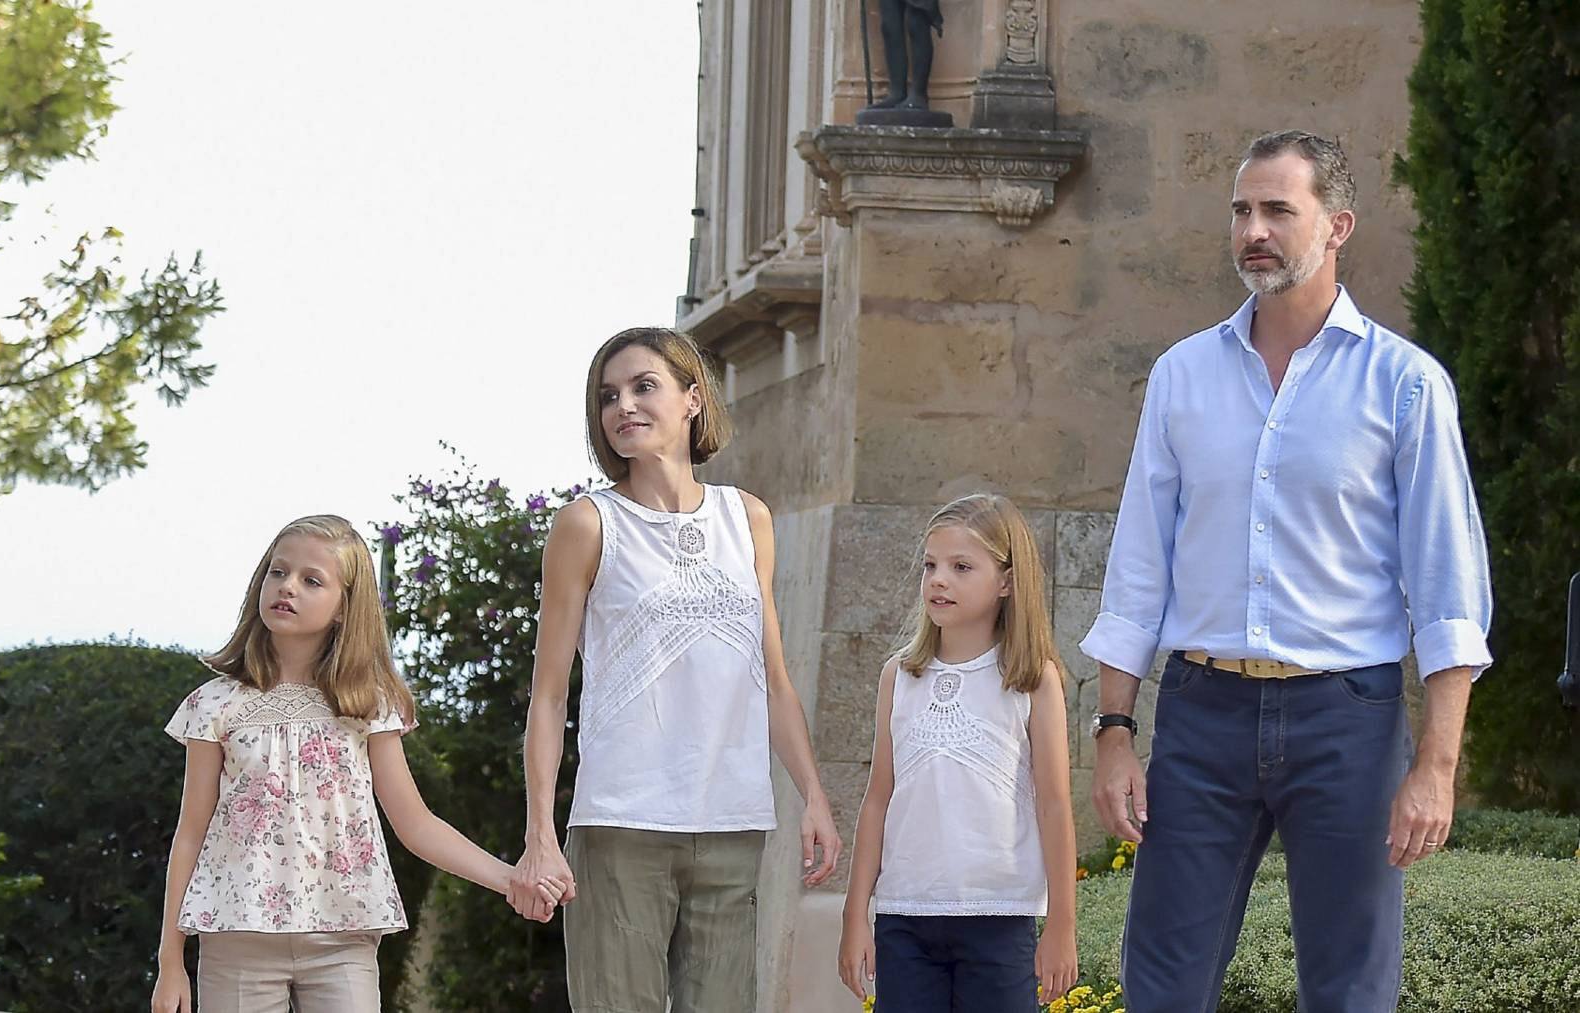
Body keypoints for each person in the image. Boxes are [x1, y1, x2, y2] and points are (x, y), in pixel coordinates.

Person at [1081, 130, 1493, 1012]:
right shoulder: (1182, 376)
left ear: (1337, 225)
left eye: (1278, 209)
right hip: (1201, 714)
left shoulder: (1405, 384)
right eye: (1241, 210)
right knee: (1161, 985)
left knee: (1349, 989)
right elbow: (1139, 566)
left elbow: (1448, 589)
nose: (1253, 230)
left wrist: (1437, 763)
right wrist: (1115, 728)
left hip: (1347, 717)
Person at [510, 327, 843, 1013]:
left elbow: (773, 675)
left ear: (694, 398)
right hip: (620, 824)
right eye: (608, 395)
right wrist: (540, 833)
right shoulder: (587, 524)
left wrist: (812, 793)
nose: (622, 406)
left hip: (731, 821)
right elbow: (548, 697)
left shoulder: (747, 517)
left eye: (643, 386)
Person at [151, 515, 559, 1013]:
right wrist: (170, 961)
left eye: (311, 580)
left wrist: (510, 879)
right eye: (278, 573)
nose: (288, 588)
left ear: (345, 607)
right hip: (239, 936)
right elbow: (190, 831)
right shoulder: (214, 704)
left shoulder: (370, 705)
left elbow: (416, 824)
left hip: (343, 939)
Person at [837, 493, 1078, 1012]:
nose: (938, 579)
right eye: (930, 565)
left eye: (961, 566)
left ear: (1007, 581)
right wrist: (855, 917)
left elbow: (1054, 804)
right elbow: (878, 799)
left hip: (999, 918)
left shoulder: (1034, 682)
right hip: (905, 919)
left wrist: (1061, 923)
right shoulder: (898, 677)